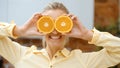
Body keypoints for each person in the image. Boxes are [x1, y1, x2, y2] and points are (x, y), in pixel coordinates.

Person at [0, 2, 120, 68]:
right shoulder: (21, 55)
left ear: (69, 26)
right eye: (49, 23)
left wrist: (87, 34)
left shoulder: (83, 61)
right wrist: (19, 31)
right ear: (42, 25)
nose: (55, 31)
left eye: (60, 23)